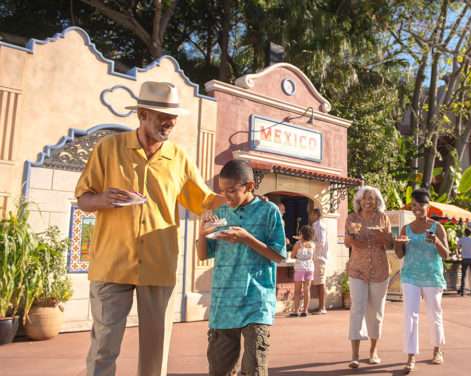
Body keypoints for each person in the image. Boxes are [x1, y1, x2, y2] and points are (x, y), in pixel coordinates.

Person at [75, 81, 224, 376]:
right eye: (161, 115)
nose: (169, 122)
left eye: (173, 116)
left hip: (159, 264)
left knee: (156, 351)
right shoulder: (109, 148)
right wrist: (103, 199)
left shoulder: (178, 158)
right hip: (111, 264)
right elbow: (84, 199)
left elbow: (203, 200)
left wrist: (240, 198)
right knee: (104, 346)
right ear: (142, 114)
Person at [197, 159, 286, 376]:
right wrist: (201, 234)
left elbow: (278, 256)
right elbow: (203, 254)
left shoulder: (269, 212)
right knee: (220, 370)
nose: (225, 196)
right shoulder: (221, 214)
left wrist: (247, 238)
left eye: (231, 191)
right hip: (223, 303)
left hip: (256, 301)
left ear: (249, 186)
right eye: (222, 191)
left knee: (254, 369)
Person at [394, 189, 449, 372]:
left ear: (428, 205)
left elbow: (446, 254)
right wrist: (398, 243)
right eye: (414, 206)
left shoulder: (437, 227)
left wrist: (436, 242)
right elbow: (399, 254)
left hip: (432, 277)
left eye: (420, 205)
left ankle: (437, 351)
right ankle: (411, 357)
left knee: (434, 314)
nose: (417, 209)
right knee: (410, 316)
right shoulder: (406, 228)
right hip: (410, 276)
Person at [344, 186, 393, 369]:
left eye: (372, 198)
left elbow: (389, 244)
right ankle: (355, 355)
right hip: (357, 269)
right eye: (365, 198)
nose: (368, 201)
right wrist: (354, 237)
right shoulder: (352, 218)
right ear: (359, 201)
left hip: (380, 270)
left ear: (377, 201)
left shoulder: (383, 218)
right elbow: (348, 242)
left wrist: (383, 236)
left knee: (376, 313)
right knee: (357, 309)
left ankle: (373, 351)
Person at [289, 225, 315, 317]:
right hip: (310, 267)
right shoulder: (312, 245)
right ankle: (305, 310)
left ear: (302, 234)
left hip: (300, 267)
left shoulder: (298, 244)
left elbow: (292, 255)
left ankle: (296, 311)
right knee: (307, 289)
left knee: (297, 291)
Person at [310, 208, 329, 314]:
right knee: (318, 282)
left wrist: (310, 242)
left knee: (321, 282)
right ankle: (320, 306)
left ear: (316, 214)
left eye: (311, 214)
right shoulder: (316, 225)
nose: (310, 216)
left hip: (320, 257)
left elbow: (321, 242)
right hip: (317, 257)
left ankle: (322, 307)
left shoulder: (320, 225)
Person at [457, 228, 471, 297]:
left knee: (463, 275)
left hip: (464, 259)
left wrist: (459, 254)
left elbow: (457, 248)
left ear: (464, 233)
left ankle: (462, 291)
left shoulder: (461, 239)